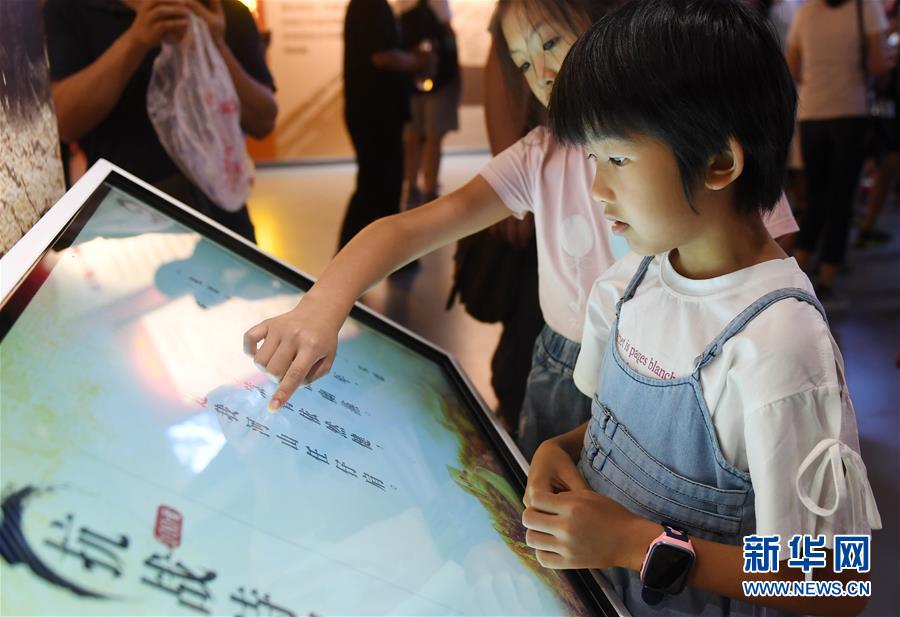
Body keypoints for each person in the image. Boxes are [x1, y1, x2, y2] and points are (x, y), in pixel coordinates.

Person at [243, 0, 798, 462]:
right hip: (570, 370)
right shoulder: (540, 156)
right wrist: (323, 304)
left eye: (550, 43)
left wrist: (654, 547)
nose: (541, 73)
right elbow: (410, 229)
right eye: (523, 62)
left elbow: (819, 564)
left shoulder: (776, 340)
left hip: (680, 371)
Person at [522, 1, 881, 615]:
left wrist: (640, 545)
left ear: (718, 162)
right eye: (592, 158)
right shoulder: (628, 282)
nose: (597, 188)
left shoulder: (779, 345)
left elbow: (838, 582)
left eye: (618, 159)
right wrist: (563, 447)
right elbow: (616, 430)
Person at [44, 0, 277, 243]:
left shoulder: (226, 11)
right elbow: (66, 124)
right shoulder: (71, 9)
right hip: (124, 232)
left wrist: (215, 44)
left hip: (223, 227)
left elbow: (263, 121)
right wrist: (136, 40)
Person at [786, 0, 890, 301]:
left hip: (811, 114)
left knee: (814, 198)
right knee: (841, 199)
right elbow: (878, 64)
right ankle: (828, 277)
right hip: (850, 111)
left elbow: (792, 68)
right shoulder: (866, 7)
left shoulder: (804, 13)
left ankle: (798, 275)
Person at [338, 0, 432, 250]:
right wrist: (418, 60)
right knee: (374, 186)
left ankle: (389, 253)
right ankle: (349, 258)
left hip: (380, 112)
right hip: (373, 113)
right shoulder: (369, 5)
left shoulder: (375, 6)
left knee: (387, 185)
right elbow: (382, 56)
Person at [398, 0, 461, 208]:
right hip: (421, 78)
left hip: (433, 78)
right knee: (418, 137)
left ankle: (424, 190)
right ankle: (421, 190)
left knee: (425, 136)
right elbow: (447, 30)